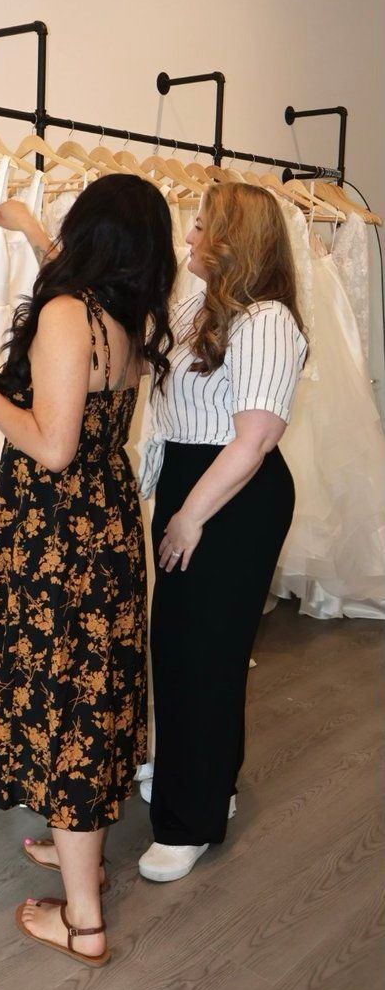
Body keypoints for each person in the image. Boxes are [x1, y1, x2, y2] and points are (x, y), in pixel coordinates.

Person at [0, 174, 175, 966]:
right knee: (92, 698)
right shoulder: (125, 315)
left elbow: (52, 443)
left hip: (56, 539)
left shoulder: (69, 315)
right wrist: (30, 231)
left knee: (69, 708)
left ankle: (82, 921)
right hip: (102, 530)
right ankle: (85, 863)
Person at [137, 181, 308, 882]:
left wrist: (188, 515)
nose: (190, 238)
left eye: (203, 227)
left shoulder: (266, 320)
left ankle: (191, 820)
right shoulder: (198, 305)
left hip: (229, 496)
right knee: (180, 647)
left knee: (202, 653)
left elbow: (256, 438)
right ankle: (205, 784)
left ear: (236, 239)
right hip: (193, 482)